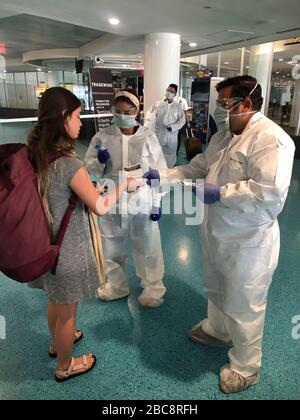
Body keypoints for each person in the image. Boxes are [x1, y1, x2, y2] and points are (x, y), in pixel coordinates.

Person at [144, 76, 295, 394]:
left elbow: (268, 195)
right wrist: (167, 175)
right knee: (215, 287)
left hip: (248, 242)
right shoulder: (224, 136)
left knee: (244, 304)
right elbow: (199, 167)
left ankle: (246, 366)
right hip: (216, 233)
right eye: (220, 105)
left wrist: (221, 193)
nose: (221, 111)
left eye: (226, 105)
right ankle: (218, 329)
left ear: (247, 104)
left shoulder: (272, 140)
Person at [28, 87, 139, 382]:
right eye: (77, 116)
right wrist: (122, 186)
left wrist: (92, 189)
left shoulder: (39, 154)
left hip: (47, 244)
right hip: (68, 250)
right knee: (67, 313)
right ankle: (65, 366)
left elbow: (65, 194)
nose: (81, 123)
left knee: (55, 300)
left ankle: (56, 343)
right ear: (63, 118)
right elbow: (101, 206)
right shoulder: (68, 163)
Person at [85, 90, 167, 308]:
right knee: (111, 246)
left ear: (137, 111)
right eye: (118, 111)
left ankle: (153, 288)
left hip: (142, 199)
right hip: (112, 198)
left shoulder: (148, 136)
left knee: (148, 245)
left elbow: (160, 171)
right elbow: (91, 170)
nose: (122, 116)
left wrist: (157, 202)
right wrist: (100, 162)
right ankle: (117, 286)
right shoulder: (102, 136)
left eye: (127, 111)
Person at [145, 84, 186, 168]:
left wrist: (173, 127)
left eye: (172, 91)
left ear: (175, 94)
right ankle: (157, 172)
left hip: (172, 136)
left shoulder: (177, 107)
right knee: (157, 154)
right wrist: (147, 130)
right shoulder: (157, 104)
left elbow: (182, 120)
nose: (169, 92)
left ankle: (169, 171)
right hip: (159, 134)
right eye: (168, 90)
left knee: (171, 155)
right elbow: (150, 117)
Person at [173, 89, 191, 155]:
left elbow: (186, 112)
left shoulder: (182, 100)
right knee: (176, 137)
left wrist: (188, 122)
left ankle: (176, 151)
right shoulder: (170, 100)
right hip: (173, 122)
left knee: (177, 137)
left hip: (180, 123)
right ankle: (175, 151)